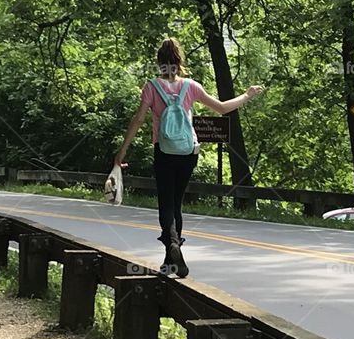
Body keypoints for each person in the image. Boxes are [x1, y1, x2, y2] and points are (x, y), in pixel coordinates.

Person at [113, 38, 264, 278]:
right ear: (179, 61)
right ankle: (171, 260)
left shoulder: (151, 87)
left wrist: (120, 154)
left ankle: (172, 244)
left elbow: (139, 120)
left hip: (164, 151)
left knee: (166, 203)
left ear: (159, 63)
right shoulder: (191, 86)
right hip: (188, 152)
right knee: (177, 203)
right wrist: (248, 94)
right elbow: (223, 108)